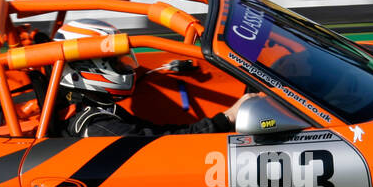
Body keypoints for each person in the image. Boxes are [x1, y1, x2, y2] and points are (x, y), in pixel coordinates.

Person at [57, 54, 258, 138]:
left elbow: (155, 132)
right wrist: (226, 119)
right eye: (115, 65)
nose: (124, 68)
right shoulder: (100, 127)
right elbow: (164, 146)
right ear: (87, 71)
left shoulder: (102, 109)